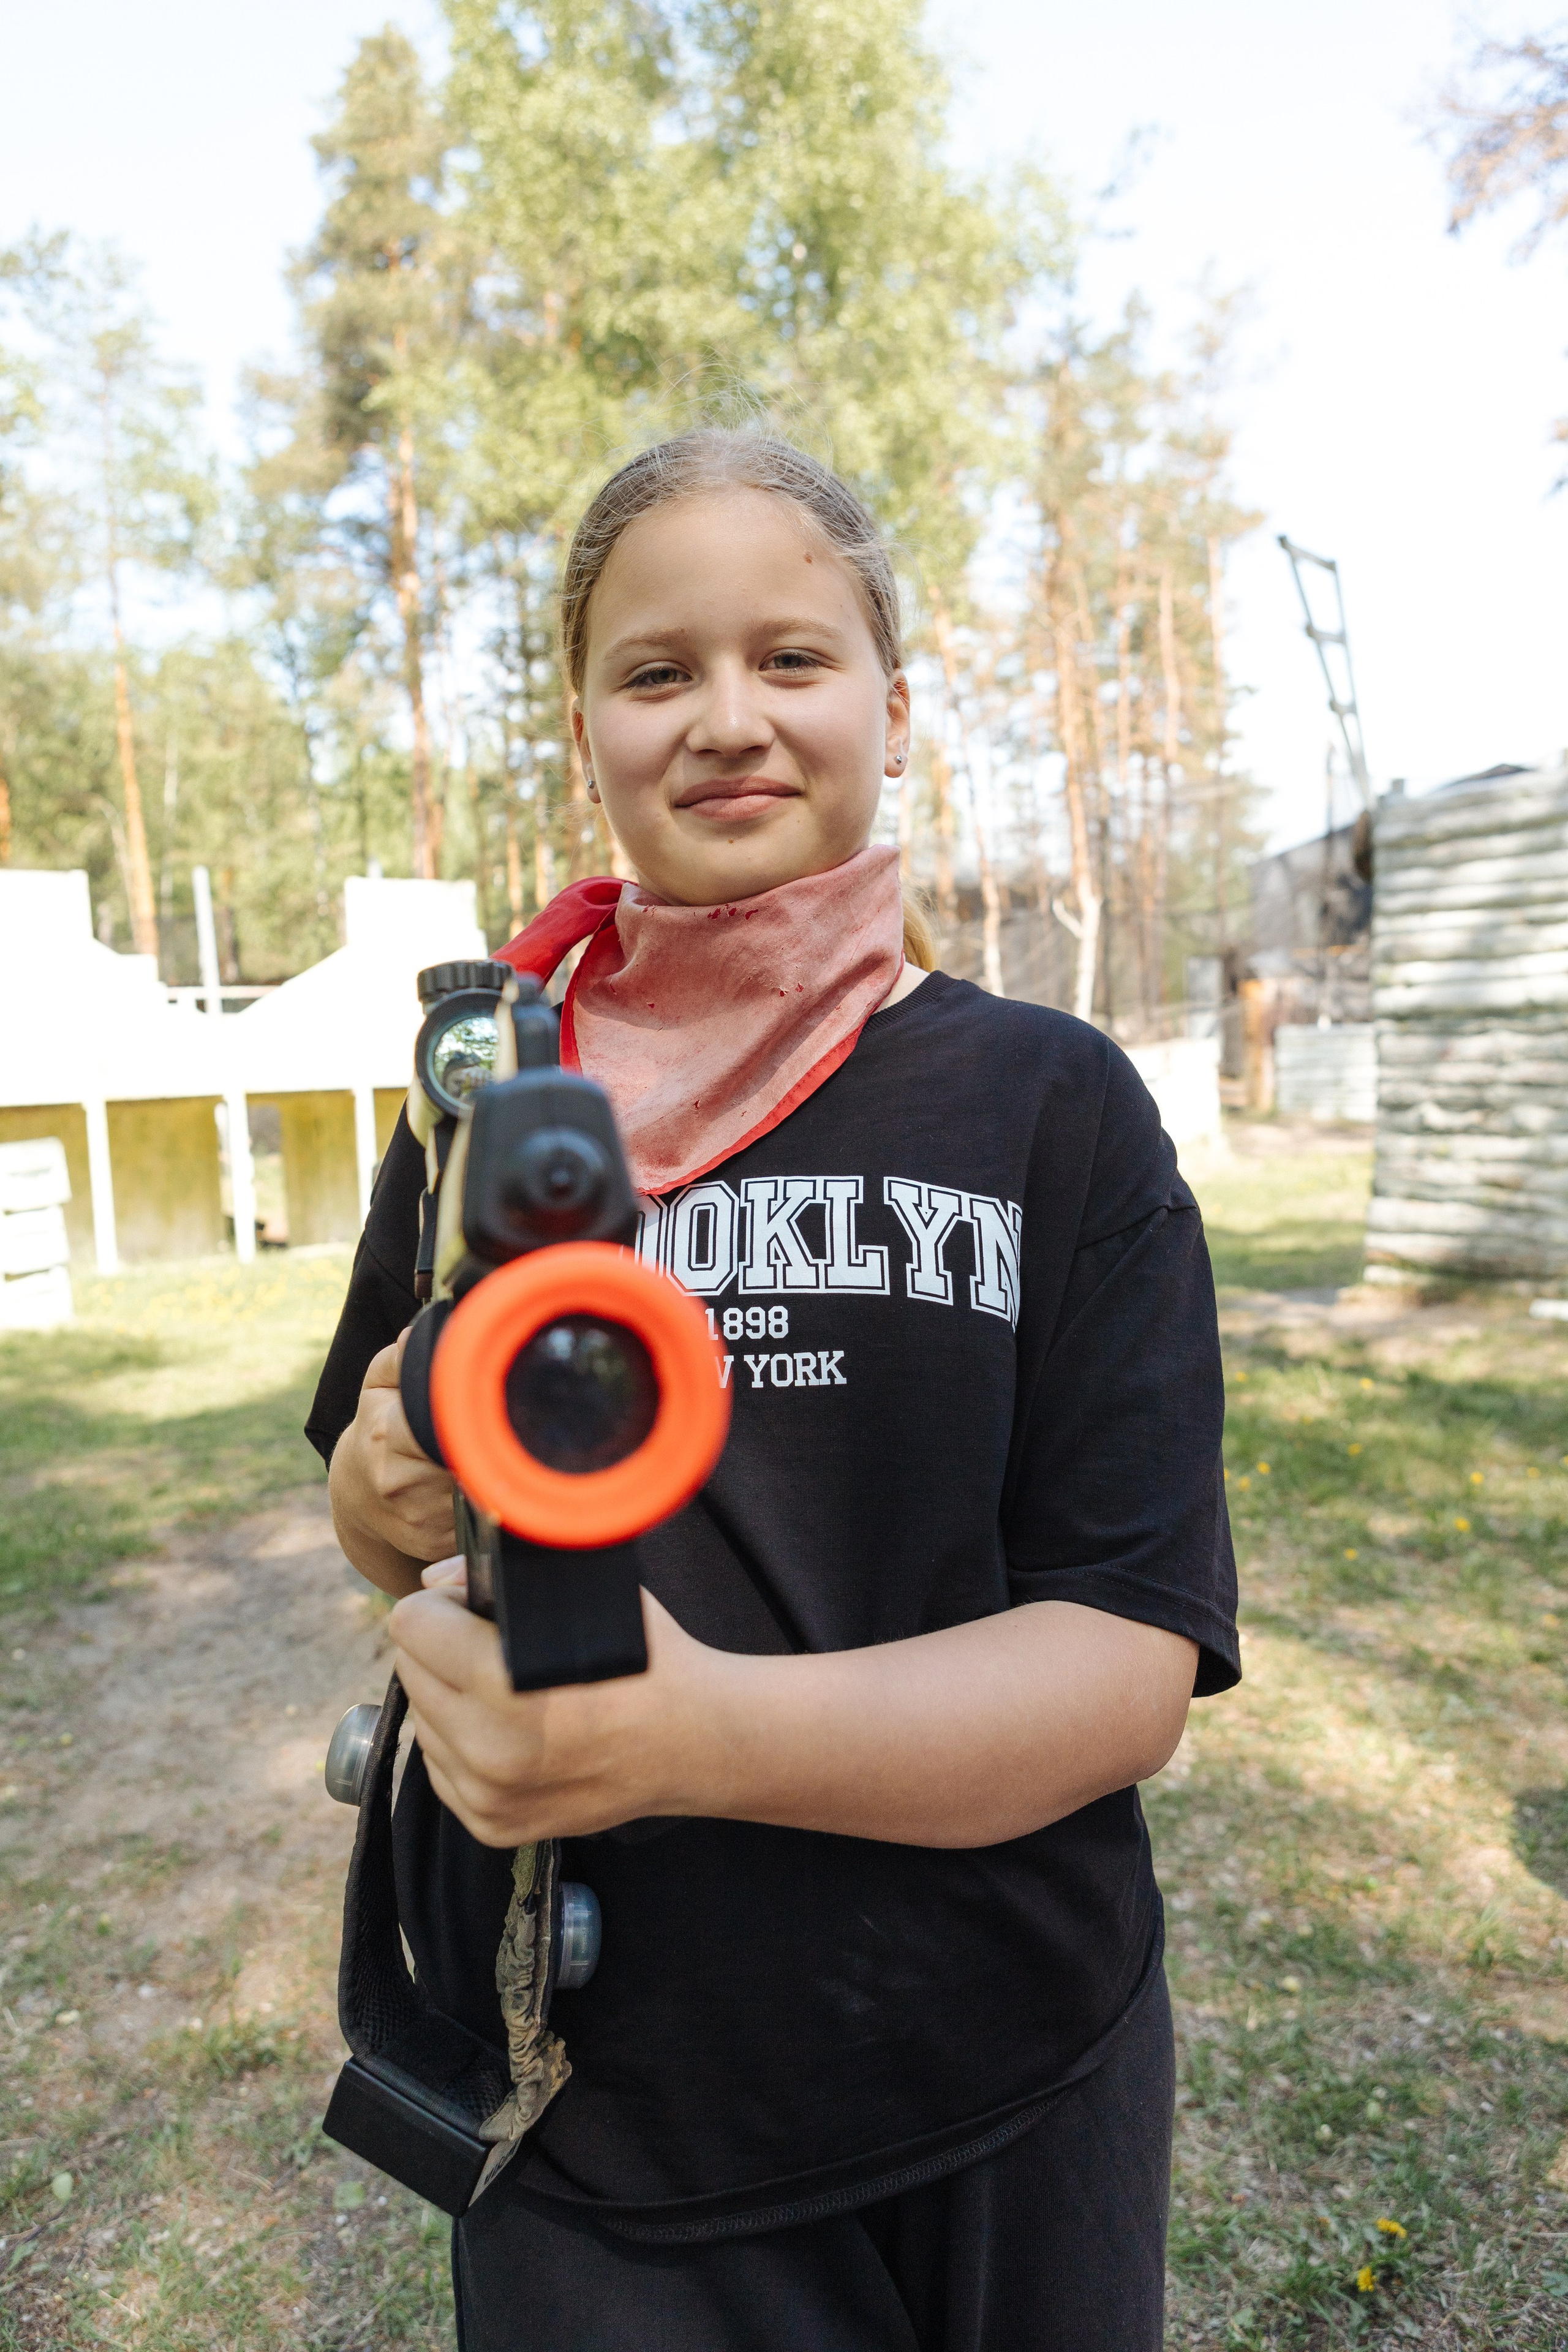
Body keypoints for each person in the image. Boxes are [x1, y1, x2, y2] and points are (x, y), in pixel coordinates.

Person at [309, 429, 1239, 2352]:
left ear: (894, 709)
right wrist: (402, 1457)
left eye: (792, 660)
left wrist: (692, 1738)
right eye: (659, 673)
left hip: (1010, 2066)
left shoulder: (1052, 1103)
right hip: (596, 2123)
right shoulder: (497, 1095)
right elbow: (373, 1509)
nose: (727, 719)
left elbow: (1131, 1663)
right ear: (588, 733)